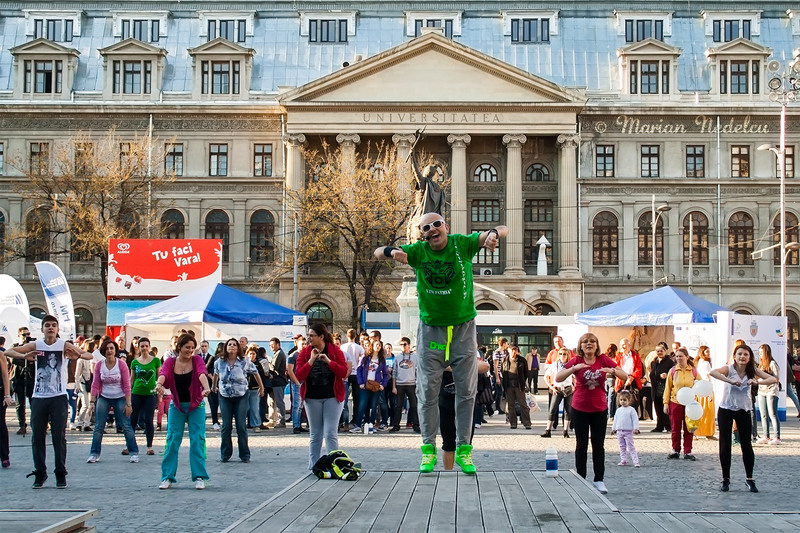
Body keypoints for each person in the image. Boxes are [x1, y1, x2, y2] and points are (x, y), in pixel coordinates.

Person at [377, 212, 508, 474]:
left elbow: (503, 229)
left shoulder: (462, 244)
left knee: (467, 391)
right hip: (432, 329)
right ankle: (428, 449)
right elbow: (378, 251)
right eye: (426, 228)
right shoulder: (418, 252)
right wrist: (394, 252)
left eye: (437, 224)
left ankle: (464, 450)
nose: (432, 229)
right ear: (422, 234)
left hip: (462, 328)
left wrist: (493, 234)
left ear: (446, 227)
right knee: (427, 392)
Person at [4, 315, 94, 488]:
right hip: (39, 397)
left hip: (58, 397)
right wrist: (26, 356)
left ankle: (60, 473)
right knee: (37, 436)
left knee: (58, 436)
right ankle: (40, 472)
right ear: (43, 329)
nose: (51, 328)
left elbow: (88, 355)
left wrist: (75, 353)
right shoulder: (37, 344)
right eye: (47, 325)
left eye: (54, 325)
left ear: (58, 329)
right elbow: (8, 352)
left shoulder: (63, 345)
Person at [556, 332, 627, 494]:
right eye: (585, 341)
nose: (589, 344)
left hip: (599, 409)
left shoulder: (603, 359)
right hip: (579, 408)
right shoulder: (577, 360)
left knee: (598, 445)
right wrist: (573, 369)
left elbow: (624, 376)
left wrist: (612, 371)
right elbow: (558, 377)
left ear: (597, 345)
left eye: (592, 341)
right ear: (580, 346)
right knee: (581, 445)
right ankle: (580, 479)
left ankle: (599, 480)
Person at [710, 343, 778, 493]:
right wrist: (730, 381)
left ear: (749, 358)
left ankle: (749, 479)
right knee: (725, 444)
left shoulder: (752, 370)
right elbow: (713, 372)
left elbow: (773, 379)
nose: (742, 357)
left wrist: (756, 381)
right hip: (726, 408)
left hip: (744, 409)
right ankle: (725, 479)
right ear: (734, 356)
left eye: (745, 355)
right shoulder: (729, 369)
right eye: (740, 354)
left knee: (746, 444)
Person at [155, 333, 211, 490]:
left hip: (196, 405)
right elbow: (163, 374)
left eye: (193, 348)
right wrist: (159, 385)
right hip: (177, 406)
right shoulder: (170, 362)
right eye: (187, 347)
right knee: (172, 440)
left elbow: (201, 373)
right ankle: (167, 477)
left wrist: (206, 388)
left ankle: (199, 476)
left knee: (197, 440)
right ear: (179, 347)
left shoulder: (197, 360)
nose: (190, 350)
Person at [293, 324, 348, 469]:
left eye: (312, 336)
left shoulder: (335, 351)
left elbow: (343, 372)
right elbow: (299, 375)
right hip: (312, 397)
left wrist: (329, 362)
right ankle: (314, 466)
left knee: (330, 432)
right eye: (308, 335)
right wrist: (311, 360)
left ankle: (335, 464)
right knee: (315, 434)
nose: (309, 338)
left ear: (321, 337)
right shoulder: (305, 353)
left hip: (332, 396)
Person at [86, 339, 139, 464]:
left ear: (115, 351)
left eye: (112, 348)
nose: (109, 351)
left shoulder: (121, 365)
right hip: (104, 397)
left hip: (120, 397)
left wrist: (128, 403)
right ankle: (94, 453)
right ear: (104, 351)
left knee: (125, 425)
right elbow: (95, 384)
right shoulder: (100, 365)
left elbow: (126, 385)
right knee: (99, 426)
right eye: (107, 349)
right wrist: (92, 402)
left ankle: (133, 452)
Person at [212, 338, 262, 463]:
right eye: (229, 344)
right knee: (226, 426)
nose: (232, 347)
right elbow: (216, 375)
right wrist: (213, 386)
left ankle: (244, 454)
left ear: (238, 348)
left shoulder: (245, 361)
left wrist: (261, 387)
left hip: (241, 395)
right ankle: (225, 454)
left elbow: (255, 373)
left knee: (241, 425)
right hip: (225, 396)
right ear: (226, 347)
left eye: (234, 345)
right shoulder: (219, 362)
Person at [441, 358, 491, 470]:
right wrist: (462, 368)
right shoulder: (443, 351)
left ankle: (466, 475)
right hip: (445, 400)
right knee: (448, 443)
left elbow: (485, 366)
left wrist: (460, 367)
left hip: (466, 403)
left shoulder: (467, 353)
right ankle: (448, 474)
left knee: (466, 442)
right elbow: (434, 365)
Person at [663, 347, 697, 460]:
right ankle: (675, 450)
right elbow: (668, 388)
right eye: (677, 356)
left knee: (689, 428)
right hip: (675, 402)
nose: (678, 358)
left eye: (681, 356)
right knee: (675, 428)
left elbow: (699, 384)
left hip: (690, 404)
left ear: (687, 357)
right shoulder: (673, 371)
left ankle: (688, 451)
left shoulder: (693, 371)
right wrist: (666, 403)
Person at [128, 337, 160, 456]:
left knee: (149, 420)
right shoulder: (134, 362)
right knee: (133, 419)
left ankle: (149, 446)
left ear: (149, 347)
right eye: (142, 346)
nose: (144, 348)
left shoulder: (156, 360)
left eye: (146, 346)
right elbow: (132, 379)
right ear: (139, 347)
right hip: (136, 393)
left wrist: (159, 392)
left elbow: (158, 377)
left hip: (150, 394)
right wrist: (128, 395)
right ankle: (130, 445)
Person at [350, 339, 389, 433]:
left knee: (373, 405)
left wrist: (383, 385)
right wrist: (361, 383)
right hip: (365, 384)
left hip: (376, 386)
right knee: (362, 404)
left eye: (379, 345)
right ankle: (358, 425)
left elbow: (386, 374)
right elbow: (359, 370)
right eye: (376, 345)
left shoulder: (381, 360)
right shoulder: (365, 357)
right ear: (372, 346)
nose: (378, 346)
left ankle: (371, 425)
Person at [542, 347, 574, 438]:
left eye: (564, 354)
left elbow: (575, 376)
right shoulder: (555, 365)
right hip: (558, 388)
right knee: (552, 409)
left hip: (568, 388)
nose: (562, 356)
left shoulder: (571, 365)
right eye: (560, 354)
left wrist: (573, 385)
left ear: (568, 355)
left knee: (568, 410)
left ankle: (565, 431)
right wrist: (551, 387)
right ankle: (548, 430)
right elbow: (546, 376)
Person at [10, 326, 35, 436]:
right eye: (24, 335)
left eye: (28, 334)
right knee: (20, 404)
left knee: (34, 403)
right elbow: (13, 359)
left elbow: (35, 360)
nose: (26, 337)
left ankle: (36, 425)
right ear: (19, 336)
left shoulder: (32, 347)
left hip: (31, 379)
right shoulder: (15, 347)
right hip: (19, 379)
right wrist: (25, 357)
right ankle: (22, 426)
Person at [390, 337, 419, 433]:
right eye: (401, 344)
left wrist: (417, 385)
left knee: (414, 406)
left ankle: (416, 425)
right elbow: (394, 372)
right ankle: (396, 425)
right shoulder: (398, 357)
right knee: (398, 406)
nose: (403, 346)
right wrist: (394, 386)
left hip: (411, 384)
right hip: (400, 384)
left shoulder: (415, 357)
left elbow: (417, 372)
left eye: (405, 344)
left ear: (409, 345)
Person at [755, 344, 781, 445]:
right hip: (761, 391)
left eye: (762, 353)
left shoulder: (772, 363)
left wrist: (765, 378)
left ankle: (777, 437)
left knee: (772, 414)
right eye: (759, 353)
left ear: (767, 353)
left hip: (771, 391)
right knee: (763, 415)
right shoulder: (760, 365)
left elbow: (776, 378)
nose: (760, 355)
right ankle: (766, 435)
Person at [501, 344, 531, 430]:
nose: (514, 351)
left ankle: (527, 423)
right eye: (512, 349)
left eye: (515, 349)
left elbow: (526, 373)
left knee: (523, 404)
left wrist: (524, 382)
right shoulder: (505, 360)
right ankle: (513, 423)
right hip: (508, 386)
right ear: (509, 350)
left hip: (519, 386)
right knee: (510, 405)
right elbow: (503, 371)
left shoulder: (522, 360)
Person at [339, 330, 363, 432]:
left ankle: (344, 420)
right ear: (355, 336)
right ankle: (355, 419)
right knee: (356, 398)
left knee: (343, 398)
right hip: (356, 373)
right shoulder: (359, 347)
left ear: (347, 336)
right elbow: (361, 361)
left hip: (345, 373)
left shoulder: (342, 347)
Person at [649, 342, 674, 432]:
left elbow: (673, 374)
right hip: (655, 388)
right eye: (658, 351)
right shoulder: (654, 362)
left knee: (666, 408)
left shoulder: (670, 362)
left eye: (661, 351)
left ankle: (668, 426)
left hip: (664, 388)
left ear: (665, 351)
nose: (659, 353)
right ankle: (659, 426)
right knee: (658, 408)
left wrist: (666, 375)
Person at [611, 389, 640, 467]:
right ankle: (623, 460)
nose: (622, 402)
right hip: (620, 431)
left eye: (624, 400)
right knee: (622, 447)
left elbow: (635, 420)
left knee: (631, 447)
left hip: (628, 431)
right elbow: (615, 420)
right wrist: (613, 428)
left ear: (629, 400)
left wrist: (635, 428)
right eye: (621, 400)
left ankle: (635, 461)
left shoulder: (631, 410)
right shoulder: (618, 410)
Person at [694, 345, 716, 439]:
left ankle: (696, 432)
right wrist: (710, 391)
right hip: (706, 389)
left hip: (698, 389)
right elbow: (707, 377)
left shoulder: (697, 362)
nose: (709, 353)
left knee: (698, 412)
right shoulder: (706, 363)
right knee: (708, 412)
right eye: (707, 351)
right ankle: (708, 432)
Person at [287, 335, 307, 434]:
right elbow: (290, 371)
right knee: (296, 405)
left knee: (301, 406)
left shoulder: (307, 355)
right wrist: (296, 382)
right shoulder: (293, 356)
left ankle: (299, 424)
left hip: (305, 382)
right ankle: (295, 426)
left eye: (305, 344)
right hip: (297, 383)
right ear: (297, 344)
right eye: (302, 344)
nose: (304, 345)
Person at [0, 340, 14, 469]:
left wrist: (7, 394)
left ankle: (4, 456)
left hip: (0, 392)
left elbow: (5, 375)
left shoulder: (0, 354)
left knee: (1, 424)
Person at [268, 338, 288, 428]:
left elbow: (274, 367)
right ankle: (273, 419)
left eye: (272, 344)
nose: (271, 346)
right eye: (270, 345)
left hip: (279, 381)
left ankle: (281, 420)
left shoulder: (279, 354)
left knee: (279, 402)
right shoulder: (276, 353)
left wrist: (266, 361)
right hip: (275, 381)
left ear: (278, 344)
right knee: (272, 401)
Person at [492, 338, 509, 415]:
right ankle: (497, 407)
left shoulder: (504, 352)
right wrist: (497, 377)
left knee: (499, 391)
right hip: (498, 374)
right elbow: (495, 366)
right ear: (503, 343)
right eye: (506, 343)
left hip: (503, 373)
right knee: (499, 391)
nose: (507, 345)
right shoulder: (497, 352)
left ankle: (493, 406)